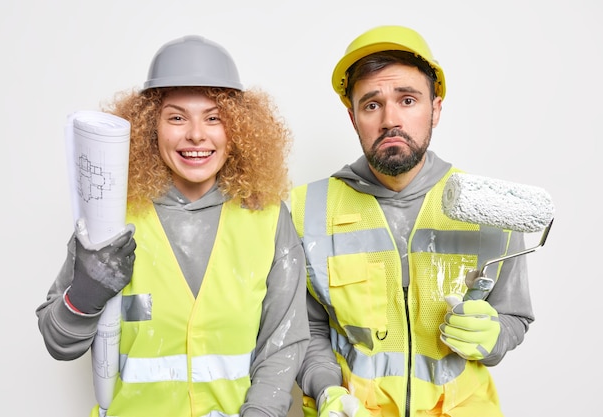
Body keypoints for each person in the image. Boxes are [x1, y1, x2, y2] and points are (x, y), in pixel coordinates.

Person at [36, 35, 310, 417]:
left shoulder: (267, 218)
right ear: (151, 128)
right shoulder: (111, 218)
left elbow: (282, 344)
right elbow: (57, 341)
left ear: (239, 130)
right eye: (177, 117)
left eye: (213, 118)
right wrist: (84, 294)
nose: (196, 134)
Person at [291, 25, 534, 417]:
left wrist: (494, 337)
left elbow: (515, 316)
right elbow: (307, 330)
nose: (391, 120)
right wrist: (326, 392)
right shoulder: (306, 210)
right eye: (372, 104)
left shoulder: (488, 207)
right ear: (353, 117)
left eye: (407, 100)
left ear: (435, 108)